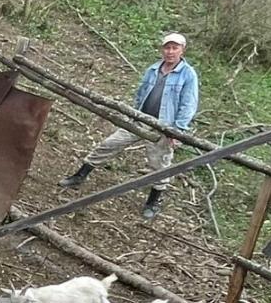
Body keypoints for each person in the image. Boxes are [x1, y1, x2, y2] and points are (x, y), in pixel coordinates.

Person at [58, 32, 199, 221]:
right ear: (162, 49)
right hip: (140, 120)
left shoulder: (188, 75)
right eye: (167, 47)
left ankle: (153, 202)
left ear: (182, 50)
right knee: (109, 144)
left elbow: (188, 104)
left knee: (160, 164)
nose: (170, 51)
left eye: (175, 48)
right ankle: (79, 176)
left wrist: (177, 130)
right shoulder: (153, 69)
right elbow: (141, 92)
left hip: (164, 127)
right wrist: (133, 113)